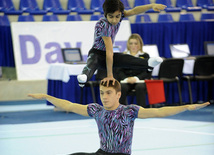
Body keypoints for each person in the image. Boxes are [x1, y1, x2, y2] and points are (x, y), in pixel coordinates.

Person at [28, 80, 210, 155]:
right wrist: (46, 97)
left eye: (108, 93)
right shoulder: (96, 110)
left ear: (118, 95)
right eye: (101, 93)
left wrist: (186, 107)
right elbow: (68, 105)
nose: (104, 96)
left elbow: (159, 112)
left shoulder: (129, 111)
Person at [77, 0, 167, 87]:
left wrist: (151, 6)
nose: (114, 20)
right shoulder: (103, 25)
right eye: (111, 16)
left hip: (108, 54)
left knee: (125, 59)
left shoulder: (121, 15)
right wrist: (110, 75)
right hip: (97, 53)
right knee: (93, 62)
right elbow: (109, 51)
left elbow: (134, 10)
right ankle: (84, 77)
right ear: (105, 15)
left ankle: (148, 63)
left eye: (117, 16)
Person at [117, 34, 151, 107]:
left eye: (136, 43)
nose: (133, 46)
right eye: (131, 43)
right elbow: (119, 71)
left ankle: (141, 110)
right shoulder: (123, 56)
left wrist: (136, 78)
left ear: (140, 45)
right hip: (126, 80)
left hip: (140, 80)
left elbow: (147, 71)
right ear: (128, 45)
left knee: (140, 87)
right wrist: (126, 79)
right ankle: (120, 111)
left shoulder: (145, 56)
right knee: (122, 87)